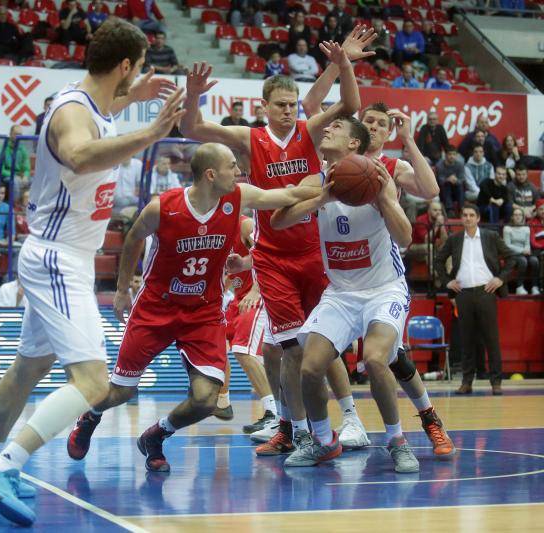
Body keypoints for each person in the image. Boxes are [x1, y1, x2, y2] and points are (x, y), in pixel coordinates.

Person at [0, 18, 184, 526]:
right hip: (58, 259)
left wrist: (134, 98)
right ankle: (4, 466)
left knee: (27, 371)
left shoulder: (93, 106)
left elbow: (101, 114)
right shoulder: (69, 111)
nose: (142, 76)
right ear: (124, 65)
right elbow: (81, 154)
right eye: (140, 69)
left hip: (62, 258)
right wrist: (149, 132)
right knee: (93, 383)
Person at [179, 29, 377, 456]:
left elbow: (351, 105)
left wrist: (345, 64)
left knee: (324, 344)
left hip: (315, 252)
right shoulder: (250, 140)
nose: (289, 111)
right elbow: (191, 126)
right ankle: (295, 428)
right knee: (290, 348)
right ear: (263, 107)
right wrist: (192, 93)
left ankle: (352, 419)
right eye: (281, 105)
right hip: (272, 257)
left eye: (293, 104)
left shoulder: (310, 128)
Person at [65, 143, 321, 471]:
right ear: (211, 174)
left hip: (202, 312)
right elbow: (132, 239)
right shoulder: (163, 207)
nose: (239, 171)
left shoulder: (238, 197)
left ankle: (156, 436)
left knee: (206, 401)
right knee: (120, 392)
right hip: (156, 308)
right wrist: (120, 290)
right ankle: (90, 418)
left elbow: (286, 197)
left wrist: (326, 184)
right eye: (232, 165)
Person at [270, 117, 419, 472]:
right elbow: (277, 221)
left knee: (376, 358)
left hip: (384, 288)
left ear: (354, 143)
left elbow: (406, 238)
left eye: (336, 127)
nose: (327, 129)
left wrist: (385, 202)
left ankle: (397, 439)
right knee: (309, 367)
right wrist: (323, 197)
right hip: (341, 293)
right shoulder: (315, 180)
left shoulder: (377, 178)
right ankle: (323, 441)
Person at [356, 103, 455, 457]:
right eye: (368, 121)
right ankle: (327, 427)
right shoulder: (335, 160)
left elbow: (430, 190)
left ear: (387, 132)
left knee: (390, 358)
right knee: (312, 352)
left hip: (383, 277)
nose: (374, 127)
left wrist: (409, 139)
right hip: (340, 278)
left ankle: (428, 419)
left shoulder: (392, 166)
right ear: (358, 125)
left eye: (382, 124)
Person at [435, 204, 514, 396]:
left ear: (478, 218)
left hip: (486, 291)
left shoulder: (490, 237)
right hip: (463, 293)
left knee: (491, 339)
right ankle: (467, 382)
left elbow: (511, 258)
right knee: (466, 339)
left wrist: (500, 278)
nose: (468, 218)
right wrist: (447, 282)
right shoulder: (455, 239)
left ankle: (496, 382)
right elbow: (438, 260)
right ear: (461, 219)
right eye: (465, 215)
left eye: (472, 215)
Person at [223, 216, 277, 433]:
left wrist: (256, 289)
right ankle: (222, 400)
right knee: (217, 342)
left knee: (242, 350)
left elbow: (266, 252)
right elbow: (228, 271)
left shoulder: (244, 224)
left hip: (258, 294)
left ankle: (274, 412)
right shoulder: (214, 227)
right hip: (237, 298)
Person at [505, 207, 539, 295]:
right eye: (515, 215)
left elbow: (527, 243)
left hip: (525, 252)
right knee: (523, 261)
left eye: (520, 215)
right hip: (512, 253)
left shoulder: (526, 228)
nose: (518, 217)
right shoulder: (507, 228)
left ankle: (534, 287)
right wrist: (522, 250)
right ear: (512, 217)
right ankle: (519, 287)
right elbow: (507, 245)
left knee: (535, 260)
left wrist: (527, 249)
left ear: (523, 217)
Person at [0, 124, 31, 197]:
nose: (18, 137)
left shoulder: (23, 149)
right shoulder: (3, 148)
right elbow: (1, 169)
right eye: (16, 134)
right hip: (7, 176)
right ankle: (14, 205)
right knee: (15, 182)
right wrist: (14, 175)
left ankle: (28, 204)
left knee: (34, 181)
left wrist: (25, 176)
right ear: (10, 134)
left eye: (20, 134)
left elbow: (27, 168)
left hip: (19, 176)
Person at [436, 145, 468, 216]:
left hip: (456, 189)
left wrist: (456, 180)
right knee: (446, 185)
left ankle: (461, 209)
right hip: (444, 191)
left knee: (460, 185)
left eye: (454, 154)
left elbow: (462, 179)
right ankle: (449, 209)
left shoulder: (460, 164)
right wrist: (448, 179)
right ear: (445, 155)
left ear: (456, 155)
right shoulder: (440, 165)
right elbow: (440, 181)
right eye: (450, 154)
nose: (452, 156)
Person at [113, 157, 143, 221]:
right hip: (118, 199)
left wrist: (138, 190)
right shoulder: (115, 165)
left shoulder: (138, 164)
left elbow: (140, 183)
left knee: (142, 204)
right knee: (122, 202)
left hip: (133, 198)